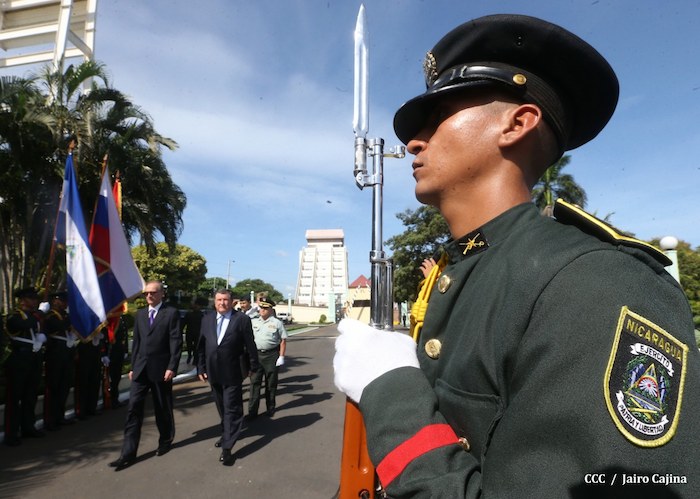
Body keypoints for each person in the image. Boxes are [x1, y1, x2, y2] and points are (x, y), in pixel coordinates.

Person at [333, 14, 700, 498]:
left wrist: (391, 390)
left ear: (518, 123)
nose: (414, 141)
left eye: (437, 116)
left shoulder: (598, 283)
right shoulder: (461, 271)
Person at [110, 281, 182, 470]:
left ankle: (165, 440)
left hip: (161, 369)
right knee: (133, 408)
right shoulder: (141, 314)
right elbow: (137, 343)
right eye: (146, 293)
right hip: (141, 369)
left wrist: (172, 366)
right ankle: (127, 453)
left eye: (153, 292)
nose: (149, 296)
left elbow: (175, 341)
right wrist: (133, 367)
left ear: (162, 294)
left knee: (162, 407)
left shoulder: (171, 313)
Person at [197, 289, 258, 466]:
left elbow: (250, 344)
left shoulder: (241, 319)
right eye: (219, 300)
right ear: (214, 301)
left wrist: (253, 366)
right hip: (213, 371)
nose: (222, 303)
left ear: (231, 302)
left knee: (232, 407)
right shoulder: (207, 319)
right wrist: (200, 366)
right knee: (221, 406)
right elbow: (201, 345)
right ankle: (227, 433)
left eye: (225, 300)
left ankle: (227, 447)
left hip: (233, 371)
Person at [3, 287, 47, 445]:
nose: (35, 301)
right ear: (22, 300)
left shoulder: (34, 317)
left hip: (33, 359)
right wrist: (41, 313)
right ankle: (11, 433)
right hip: (19, 360)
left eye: (35, 298)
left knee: (30, 395)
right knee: (14, 397)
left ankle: (28, 427)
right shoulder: (13, 317)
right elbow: (24, 324)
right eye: (31, 298)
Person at [43, 291, 78, 430]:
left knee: (64, 386)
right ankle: (50, 419)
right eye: (61, 301)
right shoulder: (50, 316)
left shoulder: (65, 315)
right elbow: (61, 326)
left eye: (65, 301)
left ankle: (59, 416)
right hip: (55, 354)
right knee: (54, 386)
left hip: (66, 354)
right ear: (54, 301)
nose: (64, 304)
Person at [249, 297, 287, 419]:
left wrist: (281, 356)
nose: (263, 310)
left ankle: (270, 408)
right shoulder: (253, 321)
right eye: (261, 308)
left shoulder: (277, 323)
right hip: (256, 355)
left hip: (271, 355)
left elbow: (283, 341)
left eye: (265, 308)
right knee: (255, 383)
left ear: (271, 309)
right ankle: (252, 412)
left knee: (271, 383)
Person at [107, 313, 130, 407]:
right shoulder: (111, 317)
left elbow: (125, 335)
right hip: (112, 352)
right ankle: (111, 400)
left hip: (120, 351)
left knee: (117, 376)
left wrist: (126, 350)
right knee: (112, 377)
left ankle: (115, 399)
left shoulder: (122, 317)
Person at [181, 298, 205, 365]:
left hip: (198, 333)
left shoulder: (202, 315)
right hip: (189, 333)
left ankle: (195, 359)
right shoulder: (189, 314)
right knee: (189, 346)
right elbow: (184, 323)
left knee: (196, 347)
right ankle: (189, 356)